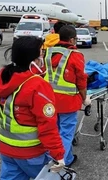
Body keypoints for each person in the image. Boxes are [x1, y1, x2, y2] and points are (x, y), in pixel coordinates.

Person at [0, 36, 65, 179]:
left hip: (7, 150)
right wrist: (58, 154)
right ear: (33, 60)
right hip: (31, 153)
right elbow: (47, 125)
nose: (43, 57)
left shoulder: (3, 78)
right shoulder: (37, 85)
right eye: (41, 53)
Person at [43, 25, 91, 167]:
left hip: (48, 100)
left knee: (54, 131)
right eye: (75, 39)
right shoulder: (75, 55)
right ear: (71, 40)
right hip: (67, 101)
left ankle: (67, 158)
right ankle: (60, 161)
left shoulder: (48, 52)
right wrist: (85, 98)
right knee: (66, 133)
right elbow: (81, 80)